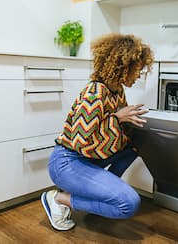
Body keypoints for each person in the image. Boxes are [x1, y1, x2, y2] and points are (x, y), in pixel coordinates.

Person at [41, 33, 154, 231]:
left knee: (135, 146)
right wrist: (118, 118)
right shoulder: (95, 92)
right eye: (138, 69)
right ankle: (59, 198)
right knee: (128, 204)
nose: (139, 75)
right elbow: (80, 140)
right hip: (67, 162)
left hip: (88, 159)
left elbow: (114, 131)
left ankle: (95, 193)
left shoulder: (117, 90)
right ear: (122, 66)